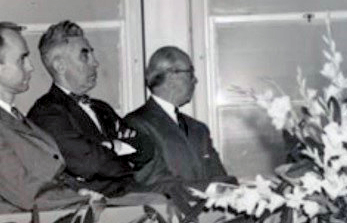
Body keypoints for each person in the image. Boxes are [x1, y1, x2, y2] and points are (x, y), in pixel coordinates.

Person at [28, 20, 142, 196]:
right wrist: (121, 149)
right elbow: (89, 163)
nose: (95, 63)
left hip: (129, 195)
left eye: (92, 54)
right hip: (95, 207)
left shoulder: (102, 108)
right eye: (85, 55)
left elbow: (146, 148)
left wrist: (109, 148)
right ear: (60, 66)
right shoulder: (47, 112)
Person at [0, 22, 84, 210]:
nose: (31, 67)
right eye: (22, 59)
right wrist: (82, 200)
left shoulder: (15, 118)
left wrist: (80, 192)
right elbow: (26, 193)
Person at [125, 46, 233, 192]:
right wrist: (211, 189)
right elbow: (153, 182)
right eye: (190, 73)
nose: (195, 80)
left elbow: (221, 178)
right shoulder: (135, 125)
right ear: (171, 76)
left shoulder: (199, 129)